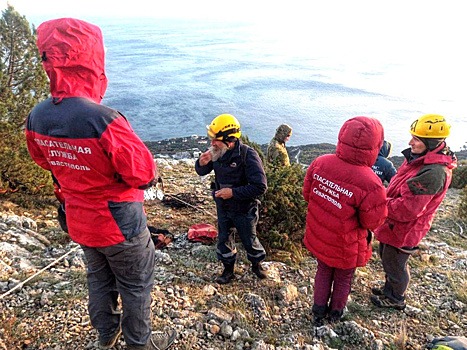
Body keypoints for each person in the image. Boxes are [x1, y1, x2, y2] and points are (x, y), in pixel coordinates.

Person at [25, 18, 176, 350]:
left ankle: (106, 333)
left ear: (49, 59)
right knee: (135, 285)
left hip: (79, 219)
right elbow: (143, 173)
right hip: (119, 223)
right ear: (91, 60)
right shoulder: (104, 119)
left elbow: (42, 160)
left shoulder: (37, 116)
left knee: (98, 277)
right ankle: (140, 344)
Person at [302, 116, 388, 325]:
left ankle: (318, 312)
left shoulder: (320, 162)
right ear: (376, 145)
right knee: (343, 278)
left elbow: (307, 194)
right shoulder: (371, 183)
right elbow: (372, 222)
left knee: (323, 271)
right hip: (347, 243)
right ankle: (335, 314)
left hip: (320, 234)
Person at [371, 114, 457, 310]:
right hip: (394, 222)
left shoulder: (433, 172)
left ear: (430, 142)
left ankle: (395, 298)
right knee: (386, 254)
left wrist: (380, 203)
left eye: (416, 139)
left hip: (405, 227)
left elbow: (408, 209)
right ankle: (388, 289)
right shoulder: (420, 160)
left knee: (395, 263)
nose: (411, 142)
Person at [195, 114, 268, 284]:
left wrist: (233, 192)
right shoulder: (217, 153)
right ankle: (228, 270)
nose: (212, 143)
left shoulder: (247, 155)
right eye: (211, 139)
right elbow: (201, 171)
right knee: (224, 238)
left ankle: (256, 264)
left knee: (249, 239)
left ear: (230, 140)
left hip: (244, 208)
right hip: (223, 207)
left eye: (216, 140)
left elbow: (260, 186)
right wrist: (201, 163)